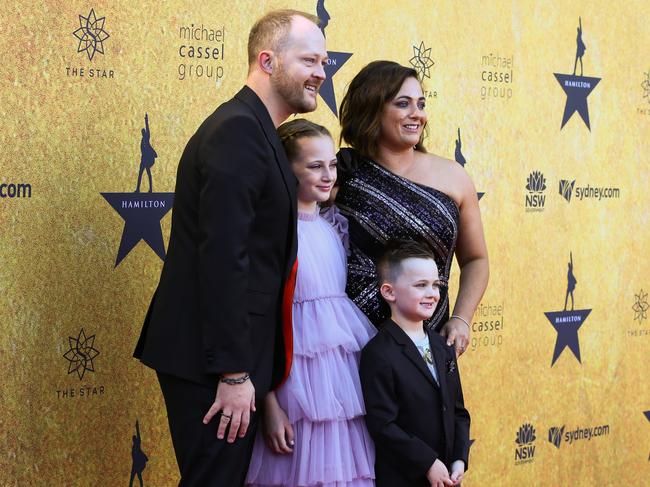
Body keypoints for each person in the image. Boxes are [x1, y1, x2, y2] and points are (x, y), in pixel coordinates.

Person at [133, 10, 327, 486]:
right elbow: (222, 258)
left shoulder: (256, 130)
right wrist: (235, 374)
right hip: (212, 362)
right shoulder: (239, 131)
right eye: (309, 59)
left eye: (324, 61)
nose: (322, 72)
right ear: (267, 60)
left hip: (227, 359)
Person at [246, 119, 376, 486]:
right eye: (314, 166)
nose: (328, 175)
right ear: (286, 170)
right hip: (292, 387)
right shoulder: (277, 234)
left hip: (340, 388)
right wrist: (269, 404)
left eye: (332, 164)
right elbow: (264, 324)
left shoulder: (332, 228)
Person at [335, 60, 489, 357]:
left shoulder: (453, 176)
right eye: (403, 104)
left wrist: (461, 319)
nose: (417, 114)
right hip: (354, 345)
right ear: (371, 109)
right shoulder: (340, 174)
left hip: (429, 343)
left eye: (420, 104)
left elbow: (476, 259)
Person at [360, 240, 470, 487]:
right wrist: (428, 463)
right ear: (389, 292)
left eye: (435, 285)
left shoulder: (443, 346)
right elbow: (383, 425)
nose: (432, 293)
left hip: (448, 478)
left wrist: (459, 460)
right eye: (421, 285)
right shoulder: (378, 353)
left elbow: (458, 411)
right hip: (404, 477)